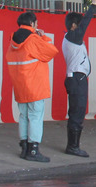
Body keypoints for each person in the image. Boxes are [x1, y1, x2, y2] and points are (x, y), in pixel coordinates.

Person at [6, 11, 59, 162]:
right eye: (36, 23)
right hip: (35, 86)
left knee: (23, 116)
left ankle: (24, 148)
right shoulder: (33, 39)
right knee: (35, 117)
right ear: (32, 24)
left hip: (20, 86)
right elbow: (51, 51)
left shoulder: (12, 42)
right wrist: (43, 36)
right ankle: (33, 151)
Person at [62, 0, 96, 157]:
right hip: (76, 78)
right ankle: (72, 147)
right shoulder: (72, 36)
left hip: (77, 78)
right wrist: (93, 5)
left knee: (77, 110)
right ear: (73, 25)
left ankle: (73, 145)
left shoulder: (72, 38)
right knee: (77, 110)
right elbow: (85, 24)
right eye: (78, 24)